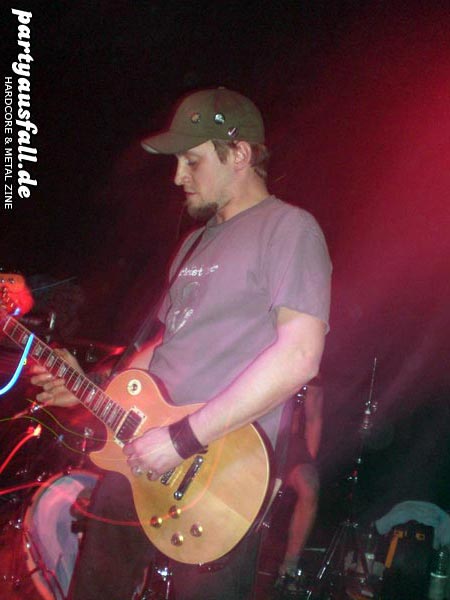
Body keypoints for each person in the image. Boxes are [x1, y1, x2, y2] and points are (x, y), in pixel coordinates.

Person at [30, 87, 332, 600]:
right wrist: (91, 388)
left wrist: (182, 439)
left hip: (219, 474)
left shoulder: (289, 228)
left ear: (239, 154)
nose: (177, 177)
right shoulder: (192, 244)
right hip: (140, 457)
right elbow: (166, 346)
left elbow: (299, 356)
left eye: (192, 160)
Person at [275, 378, 323, 595]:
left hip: (291, 445)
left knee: (309, 486)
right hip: (259, 438)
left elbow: (313, 418)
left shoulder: (312, 371)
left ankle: (289, 568)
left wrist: (309, 461)